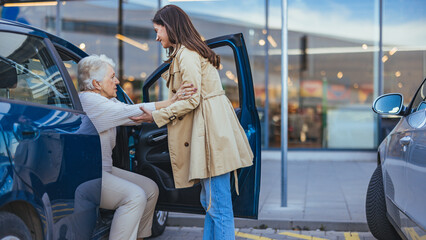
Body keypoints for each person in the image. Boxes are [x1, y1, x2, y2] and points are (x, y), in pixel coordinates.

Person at [131, 5, 254, 240]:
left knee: (217, 205)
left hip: (210, 133)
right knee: (210, 203)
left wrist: (155, 116)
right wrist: (155, 110)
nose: (156, 37)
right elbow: (183, 98)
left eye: (158, 30)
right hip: (211, 131)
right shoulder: (185, 53)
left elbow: (192, 100)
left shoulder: (187, 55)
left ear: (170, 27)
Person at [77, 54, 196, 240]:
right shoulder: (89, 101)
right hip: (89, 176)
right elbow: (131, 112)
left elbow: (133, 110)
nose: (117, 81)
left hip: (104, 171)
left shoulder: (106, 100)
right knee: (134, 196)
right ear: (97, 83)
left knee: (150, 189)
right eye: (112, 77)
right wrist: (173, 102)